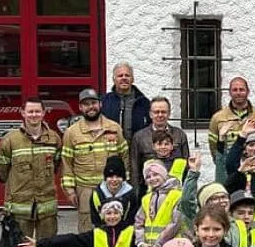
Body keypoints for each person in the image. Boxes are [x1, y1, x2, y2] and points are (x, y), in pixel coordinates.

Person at [0, 97, 64, 247]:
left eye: (37, 112)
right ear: (22, 114)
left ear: (44, 113)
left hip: (47, 204)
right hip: (20, 205)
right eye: (30, 112)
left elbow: (57, 165)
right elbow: (0, 171)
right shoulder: (10, 140)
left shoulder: (54, 138)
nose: (34, 115)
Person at [61, 89, 127, 234]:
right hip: (85, 189)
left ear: (100, 104)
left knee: (113, 229)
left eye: (93, 103)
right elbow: (66, 163)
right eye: (86, 104)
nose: (91, 107)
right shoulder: (72, 132)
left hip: (112, 189)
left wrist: (125, 185)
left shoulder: (114, 128)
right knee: (87, 232)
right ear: (80, 107)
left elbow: (125, 157)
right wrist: (70, 190)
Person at [208, 77, 255, 184]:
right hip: (229, 171)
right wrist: (224, 164)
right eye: (235, 90)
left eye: (241, 89)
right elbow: (214, 149)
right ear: (229, 92)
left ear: (248, 91)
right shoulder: (218, 118)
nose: (238, 93)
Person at [134, 160, 185, 247]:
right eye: (148, 177)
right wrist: (140, 242)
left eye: (156, 175)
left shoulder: (176, 195)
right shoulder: (147, 198)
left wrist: (158, 244)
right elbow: (139, 222)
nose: (152, 179)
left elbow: (175, 223)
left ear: (164, 175)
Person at [130, 97, 189, 193]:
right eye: (156, 112)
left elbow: (187, 165)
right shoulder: (139, 137)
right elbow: (135, 169)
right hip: (150, 191)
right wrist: (136, 193)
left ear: (169, 113)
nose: (160, 115)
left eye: (163, 112)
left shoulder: (179, 134)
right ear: (150, 114)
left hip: (175, 190)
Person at [100, 62, 150, 171]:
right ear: (114, 79)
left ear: (132, 79)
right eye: (120, 76)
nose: (124, 78)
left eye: (127, 75)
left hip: (137, 155)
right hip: (110, 154)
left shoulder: (144, 103)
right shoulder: (104, 102)